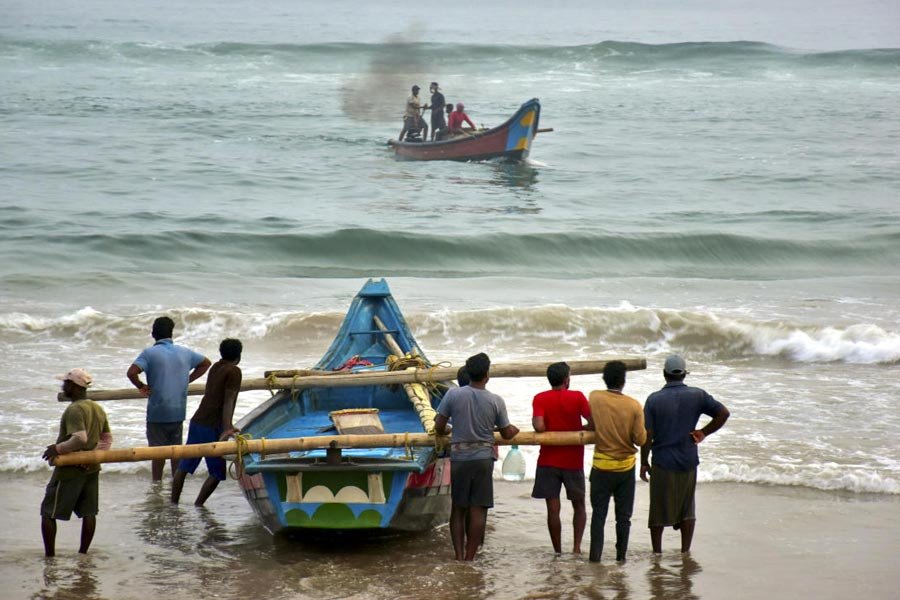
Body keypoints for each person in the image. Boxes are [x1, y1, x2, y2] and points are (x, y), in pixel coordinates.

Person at [640, 355, 730, 554]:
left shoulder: (654, 400)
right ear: (683, 374)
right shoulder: (697, 395)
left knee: (658, 509)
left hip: (662, 461)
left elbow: (647, 434)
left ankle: (657, 553)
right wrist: (703, 432)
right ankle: (685, 552)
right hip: (688, 459)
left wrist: (644, 461)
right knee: (687, 508)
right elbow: (723, 413)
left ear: (665, 374)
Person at [434, 352, 520, 561]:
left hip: (460, 457)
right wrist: (515, 430)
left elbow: (439, 426)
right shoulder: (495, 400)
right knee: (478, 509)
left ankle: (459, 555)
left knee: (458, 508)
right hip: (483, 458)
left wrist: (448, 431)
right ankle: (471, 557)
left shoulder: (453, 395)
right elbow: (507, 432)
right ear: (487, 375)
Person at [127, 316, 211, 482]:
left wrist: (141, 386)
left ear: (153, 334)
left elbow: (131, 372)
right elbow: (206, 363)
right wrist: (187, 379)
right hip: (178, 411)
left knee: (157, 454)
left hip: (157, 411)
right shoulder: (185, 352)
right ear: (171, 333)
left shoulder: (149, 353)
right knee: (175, 452)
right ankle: (176, 484)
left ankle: (157, 485)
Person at [41, 368, 113, 557]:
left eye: (65, 383)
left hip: (70, 468)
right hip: (91, 467)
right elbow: (107, 439)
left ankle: (50, 557)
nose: (63, 386)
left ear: (73, 386)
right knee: (89, 512)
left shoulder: (74, 409)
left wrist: (56, 449)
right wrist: (91, 458)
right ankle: (83, 555)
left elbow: (80, 438)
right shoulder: (97, 408)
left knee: (48, 512)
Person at [587, 360, 646, 563]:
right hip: (625, 469)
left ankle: (595, 558)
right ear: (623, 381)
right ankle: (621, 558)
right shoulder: (634, 405)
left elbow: (592, 423)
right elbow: (640, 439)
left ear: (604, 379)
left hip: (601, 466)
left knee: (598, 516)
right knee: (623, 518)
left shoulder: (594, 397)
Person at [171, 338, 243, 506]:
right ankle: (198, 505)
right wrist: (227, 428)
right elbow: (228, 400)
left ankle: (173, 504)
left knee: (184, 466)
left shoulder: (216, 367)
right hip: (212, 426)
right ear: (239, 355)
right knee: (217, 472)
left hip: (198, 422)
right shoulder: (234, 371)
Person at [531, 362, 592, 554]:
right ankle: (576, 548)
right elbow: (594, 422)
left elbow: (539, 427)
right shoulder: (577, 397)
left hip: (548, 459)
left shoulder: (540, 398)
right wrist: (580, 430)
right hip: (573, 460)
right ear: (567, 379)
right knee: (579, 505)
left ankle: (557, 550)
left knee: (553, 508)